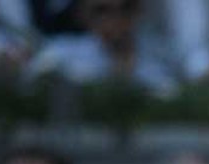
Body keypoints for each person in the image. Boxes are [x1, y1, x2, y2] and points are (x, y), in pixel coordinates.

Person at [26, 0, 178, 94]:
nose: (115, 18)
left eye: (126, 7)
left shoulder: (163, 59)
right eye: (102, 10)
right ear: (83, 13)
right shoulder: (59, 55)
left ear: (139, 11)